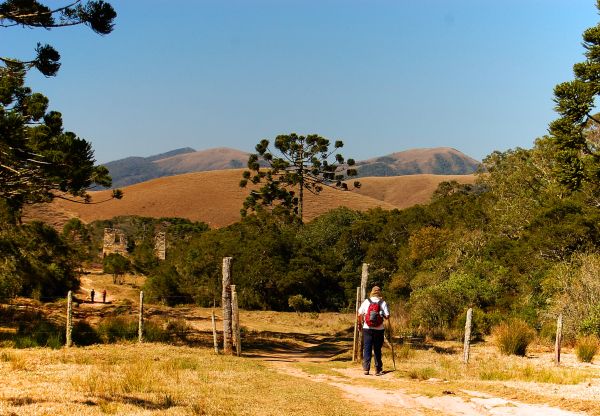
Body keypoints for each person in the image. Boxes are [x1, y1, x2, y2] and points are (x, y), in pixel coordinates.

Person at [357, 286, 390, 376]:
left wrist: (360, 325)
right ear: (379, 293)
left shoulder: (367, 301)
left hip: (367, 328)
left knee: (367, 348)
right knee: (377, 349)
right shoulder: (383, 302)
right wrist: (382, 313)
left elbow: (359, 313)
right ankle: (377, 369)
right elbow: (387, 316)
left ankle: (366, 369)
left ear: (371, 292)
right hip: (379, 329)